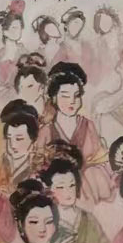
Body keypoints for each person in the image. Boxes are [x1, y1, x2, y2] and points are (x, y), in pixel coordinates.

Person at [43, 150, 109, 243]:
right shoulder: (47, 221)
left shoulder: (88, 218)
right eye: (61, 187)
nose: (68, 192)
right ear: (50, 190)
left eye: (71, 185)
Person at [44, 61, 111, 204]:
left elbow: (99, 160)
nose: (72, 101)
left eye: (76, 95)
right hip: (56, 191)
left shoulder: (88, 126)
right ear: (54, 97)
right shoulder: (46, 130)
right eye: (65, 96)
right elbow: (38, 165)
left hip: (88, 189)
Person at [0, 0, 26, 92]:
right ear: (5, 31)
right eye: (14, 27)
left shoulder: (24, 54)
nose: (18, 31)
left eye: (20, 28)